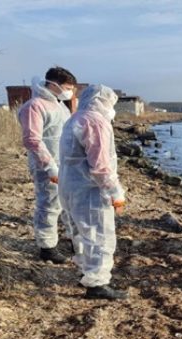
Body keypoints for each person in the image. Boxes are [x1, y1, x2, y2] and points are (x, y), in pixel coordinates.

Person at [59, 84, 127, 300]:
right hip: (90, 189)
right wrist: (115, 192)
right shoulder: (96, 122)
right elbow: (100, 165)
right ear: (102, 101)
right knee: (100, 236)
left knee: (81, 233)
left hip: (70, 185)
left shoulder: (74, 119)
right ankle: (97, 283)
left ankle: (85, 272)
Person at [18, 67, 77, 264]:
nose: (70, 92)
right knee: (49, 203)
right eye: (68, 87)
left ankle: (72, 239)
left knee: (67, 203)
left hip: (66, 162)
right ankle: (47, 246)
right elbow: (32, 140)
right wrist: (50, 166)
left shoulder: (60, 105)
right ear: (53, 84)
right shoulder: (34, 106)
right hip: (47, 164)